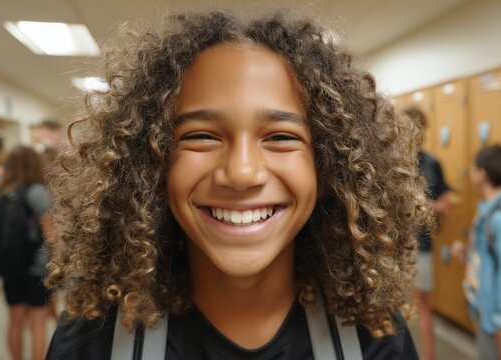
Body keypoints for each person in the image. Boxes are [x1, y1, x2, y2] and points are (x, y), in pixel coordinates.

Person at [45, 11, 429, 359]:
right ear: (150, 167)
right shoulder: (91, 343)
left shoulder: (375, 340)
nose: (243, 173)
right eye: (201, 136)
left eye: (281, 137)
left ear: (328, 166)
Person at [451, 145, 501, 360]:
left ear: (482, 174)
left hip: (500, 325)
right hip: (488, 316)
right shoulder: (490, 212)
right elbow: (492, 261)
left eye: (473, 168)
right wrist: (468, 255)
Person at [0, 147, 53, 360]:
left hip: (9, 266)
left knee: (15, 322)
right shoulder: (37, 191)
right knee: (37, 324)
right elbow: (51, 235)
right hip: (37, 267)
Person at [403, 106, 450, 360]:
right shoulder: (389, 160)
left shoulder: (433, 164)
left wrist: (425, 205)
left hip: (421, 244)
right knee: (390, 304)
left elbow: (445, 202)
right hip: (393, 246)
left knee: (422, 303)